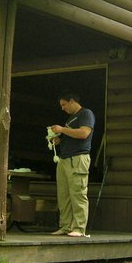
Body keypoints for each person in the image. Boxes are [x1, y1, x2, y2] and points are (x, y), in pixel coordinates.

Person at [49, 91, 95, 237]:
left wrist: (62, 129)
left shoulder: (86, 114)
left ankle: (79, 228)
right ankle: (66, 226)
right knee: (64, 195)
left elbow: (84, 133)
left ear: (72, 101)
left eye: (64, 105)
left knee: (78, 193)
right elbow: (73, 137)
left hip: (78, 159)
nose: (63, 108)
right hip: (64, 159)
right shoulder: (71, 118)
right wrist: (60, 140)